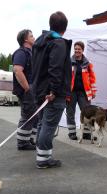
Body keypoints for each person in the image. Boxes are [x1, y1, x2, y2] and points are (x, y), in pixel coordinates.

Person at [31, 11, 72, 169]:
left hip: (39, 90)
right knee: (48, 125)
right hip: (52, 93)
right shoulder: (58, 43)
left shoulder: (40, 42)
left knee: (43, 123)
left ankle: (42, 155)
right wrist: (54, 91)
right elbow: (55, 69)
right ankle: (43, 159)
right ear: (65, 27)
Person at [12, 29, 38, 151]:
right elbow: (17, 70)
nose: (34, 38)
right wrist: (27, 88)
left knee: (35, 115)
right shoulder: (21, 53)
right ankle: (22, 143)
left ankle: (29, 139)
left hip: (33, 89)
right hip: (27, 90)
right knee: (28, 115)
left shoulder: (31, 52)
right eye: (31, 36)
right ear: (25, 39)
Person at [66, 41, 97, 140]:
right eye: (75, 49)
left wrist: (93, 91)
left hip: (84, 92)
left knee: (87, 112)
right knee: (70, 112)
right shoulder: (68, 62)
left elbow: (92, 78)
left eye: (79, 49)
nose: (77, 51)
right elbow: (65, 77)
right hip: (71, 92)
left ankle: (86, 133)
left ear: (83, 50)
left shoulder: (87, 63)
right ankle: (72, 133)